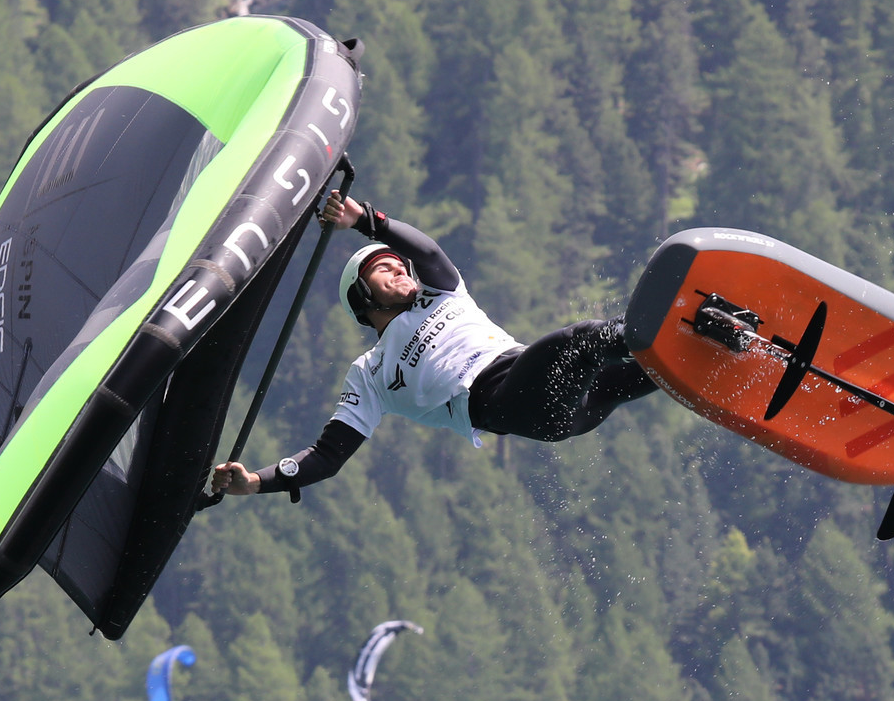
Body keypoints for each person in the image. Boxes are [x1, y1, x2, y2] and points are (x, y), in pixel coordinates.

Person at [210, 191, 658, 500]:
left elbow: (425, 252)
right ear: (363, 298)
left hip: (556, 396)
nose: (399, 269)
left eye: (396, 264)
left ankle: (692, 342)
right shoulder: (369, 373)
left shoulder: (442, 291)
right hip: (507, 403)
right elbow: (328, 456)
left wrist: (365, 220)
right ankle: (653, 326)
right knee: (583, 338)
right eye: (383, 270)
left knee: (648, 367)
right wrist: (257, 481)